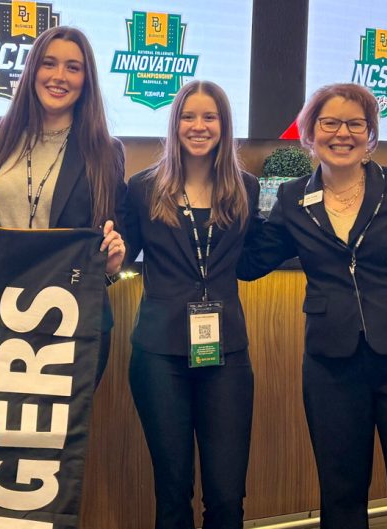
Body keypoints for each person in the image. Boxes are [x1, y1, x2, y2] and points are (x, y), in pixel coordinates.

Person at [239, 83, 387, 528]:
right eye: (330, 123)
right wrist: (219, 202)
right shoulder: (293, 198)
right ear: (310, 134)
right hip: (331, 369)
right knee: (341, 502)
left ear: (370, 134)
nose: (342, 133)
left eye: (355, 123)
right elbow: (249, 263)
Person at [122, 80, 259, 529]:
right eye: (188, 116)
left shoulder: (246, 189)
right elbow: (120, 253)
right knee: (172, 491)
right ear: (174, 122)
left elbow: (255, 257)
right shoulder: (143, 188)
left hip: (227, 356)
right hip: (159, 355)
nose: (198, 126)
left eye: (209, 117)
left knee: (225, 494)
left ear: (224, 125)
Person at [0, 26, 127, 379]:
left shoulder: (105, 151)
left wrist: (114, 263)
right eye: (49, 64)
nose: (59, 77)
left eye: (73, 67)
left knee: (57, 435)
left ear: (86, 79)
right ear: (32, 71)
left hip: (70, 315)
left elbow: (117, 232)